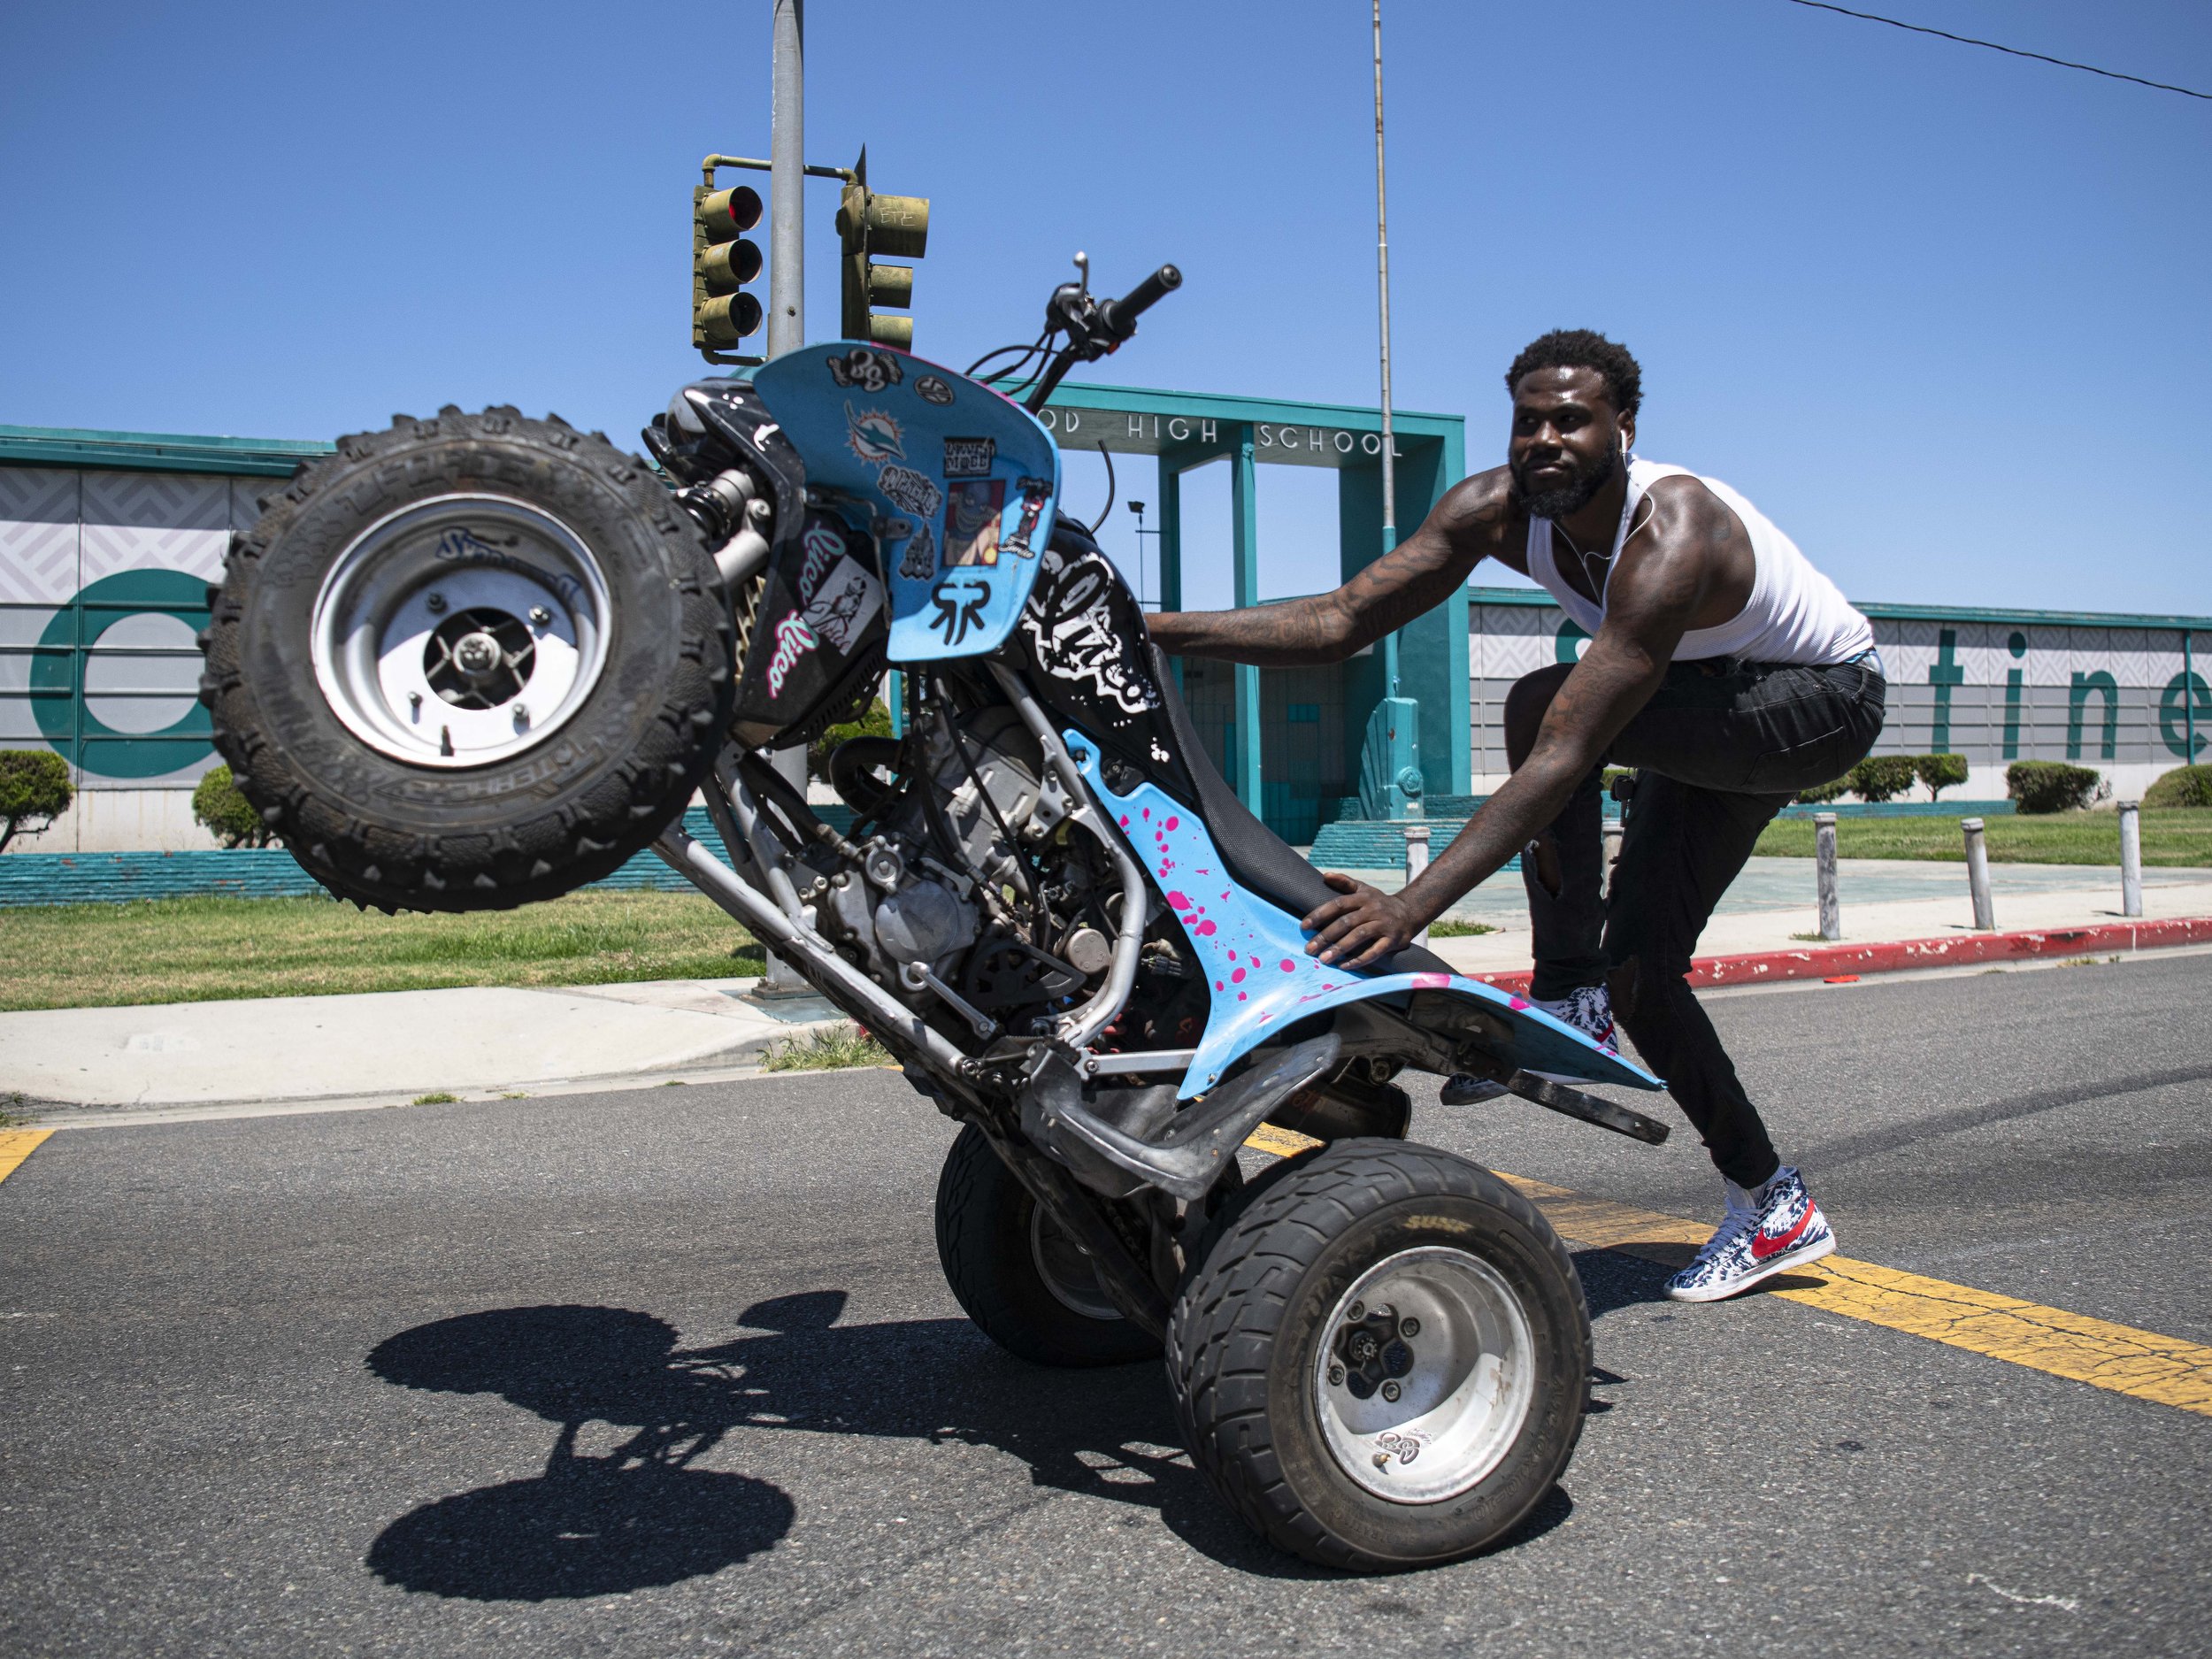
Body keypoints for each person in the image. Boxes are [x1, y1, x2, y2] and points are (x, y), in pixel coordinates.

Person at [1146, 329, 1884, 1302]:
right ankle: (1772, 1200)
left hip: (1816, 703)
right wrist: (1148, 625)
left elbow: (1568, 751)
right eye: (1528, 420)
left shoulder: (1673, 528)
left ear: (1624, 426)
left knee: (1545, 705)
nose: (1544, 439)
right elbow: (1337, 621)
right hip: (1697, 705)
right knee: (1644, 981)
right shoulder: (1492, 510)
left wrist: (1409, 910)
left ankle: (1564, 983)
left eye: (1570, 421)